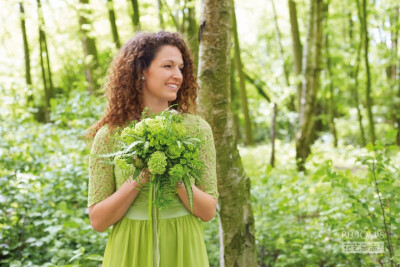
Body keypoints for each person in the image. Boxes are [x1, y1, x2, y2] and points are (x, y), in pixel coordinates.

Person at [86, 31, 218, 267]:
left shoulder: (197, 130)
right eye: (168, 66)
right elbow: (98, 220)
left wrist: (175, 175)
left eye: (181, 68)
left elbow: (208, 211)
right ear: (142, 71)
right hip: (129, 248)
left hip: (183, 246)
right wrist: (140, 177)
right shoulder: (110, 135)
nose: (177, 75)